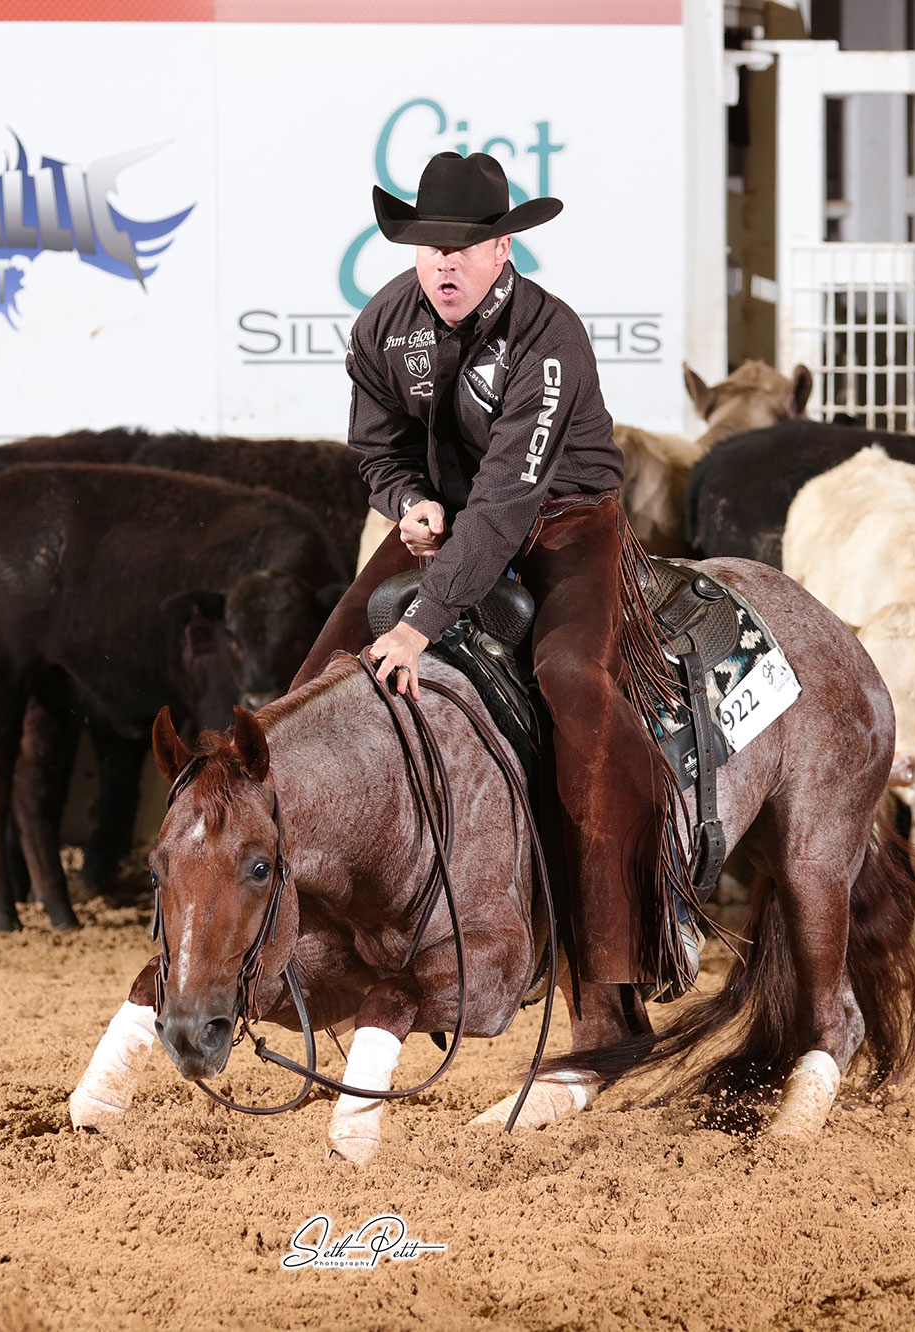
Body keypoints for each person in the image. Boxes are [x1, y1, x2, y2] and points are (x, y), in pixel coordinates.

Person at [290, 150, 693, 1000]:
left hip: (564, 526)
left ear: (502, 250)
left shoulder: (548, 338)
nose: (445, 260)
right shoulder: (383, 325)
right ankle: (305, 922)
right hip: (448, 525)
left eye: (466, 245)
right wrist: (406, 499)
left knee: (572, 681)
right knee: (317, 674)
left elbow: (511, 499)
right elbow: (377, 448)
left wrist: (418, 625)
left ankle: (629, 941)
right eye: (430, 244)